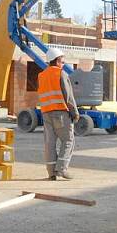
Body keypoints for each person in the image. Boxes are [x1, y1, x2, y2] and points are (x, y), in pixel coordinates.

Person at [37, 47, 79, 180]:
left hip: (46, 113)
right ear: (57, 60)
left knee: (50, 142)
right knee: (68, 140)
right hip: (60, 112)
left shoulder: (41, 75)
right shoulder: (61, 74)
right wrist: (75, 113)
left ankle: (51, 172)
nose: (64, 63)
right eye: (62, 60)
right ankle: (61, 169)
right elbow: (68, 96)